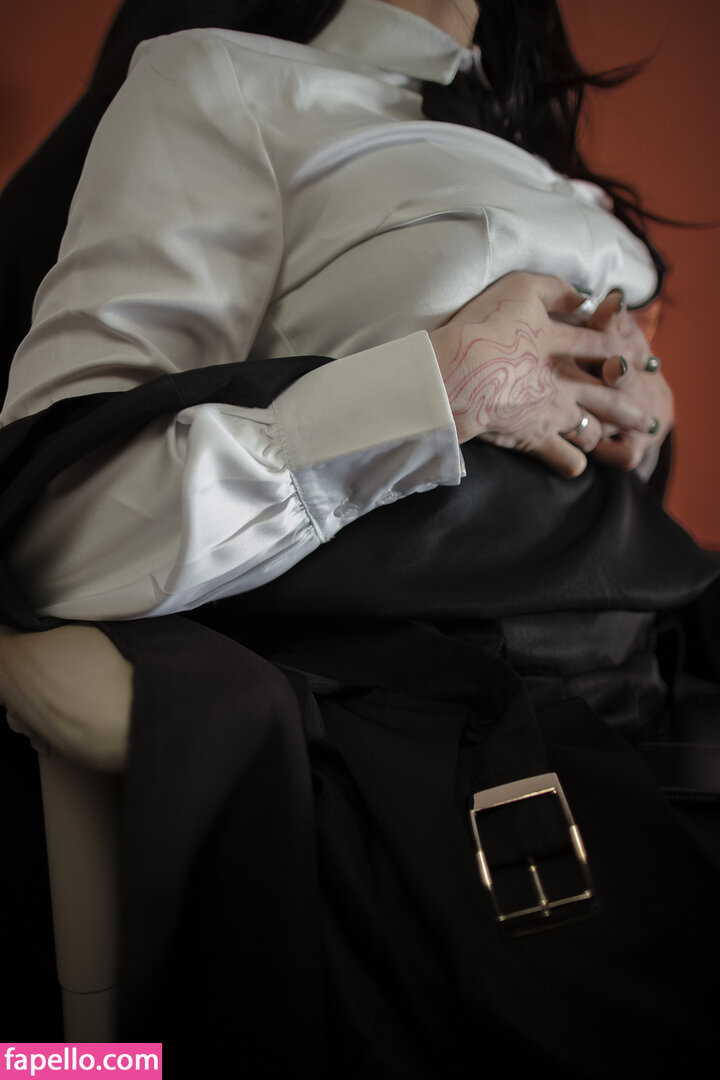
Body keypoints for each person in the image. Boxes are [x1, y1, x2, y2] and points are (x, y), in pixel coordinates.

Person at [0, 0, 718, 1073]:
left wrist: (642, 417)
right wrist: (446, 390)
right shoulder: (223, 84)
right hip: (452, 734)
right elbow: (60, 532)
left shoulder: (538, 154)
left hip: (667, 671)